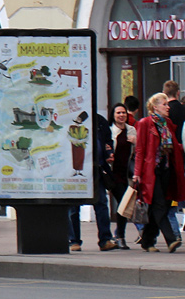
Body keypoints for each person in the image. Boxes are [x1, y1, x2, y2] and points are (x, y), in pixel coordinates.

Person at [132, 92, 185, 252]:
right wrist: (137, 173)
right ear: (155, 107)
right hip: (151, 172)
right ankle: (171, 239)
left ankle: (147, 240)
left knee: (164, 204)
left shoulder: (167, 123)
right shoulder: (145, 123)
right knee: (159, 204)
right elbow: (140, 150)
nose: (168, 107)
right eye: (164, 104)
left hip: (167, 170)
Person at [69, 114, 118, 251]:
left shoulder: (99, 120)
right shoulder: (71, 119)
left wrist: (109, 153)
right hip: (77, 169)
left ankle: (105, 239)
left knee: (101, 203)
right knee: (73, 206)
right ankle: (74, 241)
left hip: (97, 168)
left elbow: (108, 141)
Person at [108, 102, 136, 249]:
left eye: (123, 113)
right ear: (113, 115)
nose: (121, 115)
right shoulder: (110, 131)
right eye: (118, 113)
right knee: (122, 203)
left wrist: (135, 142)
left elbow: (138, 150)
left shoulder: (132, 130)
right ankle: (120, 236)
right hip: (114, 173)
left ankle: (118, 234)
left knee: (124, 205)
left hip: (128, 173)